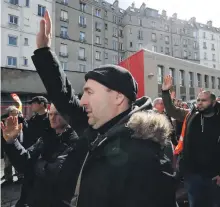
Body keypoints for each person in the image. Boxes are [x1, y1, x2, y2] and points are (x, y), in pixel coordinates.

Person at [29, 10, 177, 207]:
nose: (82, 101)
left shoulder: (146, 152)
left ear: (117, 97)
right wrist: (44, 52)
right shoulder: (98, 128)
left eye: (89, 92)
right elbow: (65, 98)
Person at [1, 104, 82, 207]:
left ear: (68, 115)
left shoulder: (75, 141)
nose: (52, 117)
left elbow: (52, 173)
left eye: (57, 114)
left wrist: (34, 163)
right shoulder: (47, 136)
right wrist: (12, 141)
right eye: (51, 114)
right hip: (30, 200)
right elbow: (25, 162)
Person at [162, 75, 220, 207]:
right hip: (192, 175)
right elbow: (172, 111)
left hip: (214, 176)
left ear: (213, 102)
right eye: (198, 100)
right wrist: (165, 92)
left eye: (203, 100)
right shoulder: (191, 115)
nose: (199, 103)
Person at [1, 106, 27, 186]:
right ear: (9, 113)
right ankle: (8, 179)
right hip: (8, 144)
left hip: (19, 143)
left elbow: (26, 127)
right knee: (7, 163)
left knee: (18, 160)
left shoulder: (21, 119)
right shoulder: (5, 120)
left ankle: (20, 177)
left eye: (16, 112)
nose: (14, 114)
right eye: (12, 112)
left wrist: (22, 119)